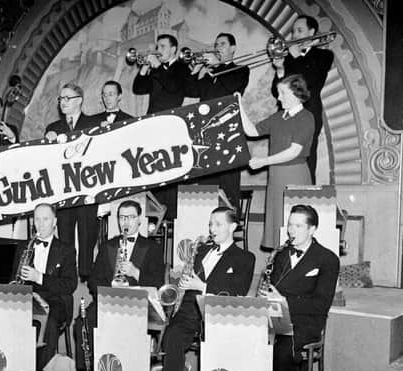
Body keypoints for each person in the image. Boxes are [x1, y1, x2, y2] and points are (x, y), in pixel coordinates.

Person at [161, 207, 255, 371]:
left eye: (218, 224)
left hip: (218, 315)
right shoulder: (201, 250)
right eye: (211, 224)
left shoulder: (245, 258)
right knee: (172, 336)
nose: (212, 229)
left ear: (233, 227)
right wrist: (182, 284)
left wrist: (202, 286)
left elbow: (238, 292)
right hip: (189, 311)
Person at [74, 199, 165, 371]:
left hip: (138, 304)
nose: (126, 222)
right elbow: (93, 280)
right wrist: (109, 287)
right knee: (82, 323)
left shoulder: (152, 248)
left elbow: (158, 283)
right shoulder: (108, 245)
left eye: (130, 217)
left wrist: (136, 272)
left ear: (139, 220)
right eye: (122, 217)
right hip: (109, 301)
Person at [259, 205, 339, 371]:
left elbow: (321, 305)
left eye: (298, 226)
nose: (291, 231)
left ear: (312, 229)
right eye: (289, 225)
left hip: (305, 322)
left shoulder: (328, 259)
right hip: (276, 318)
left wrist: (285, 301)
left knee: (281, 351)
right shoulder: (280, 255)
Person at [238, 74, 314, 249]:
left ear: (296, 93)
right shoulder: (279, 117)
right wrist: (239, 106)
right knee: (278, 224)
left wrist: (264, 161)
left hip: (294, 175)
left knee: (294, 222)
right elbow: (251, 131)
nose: (278, 98)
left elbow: (294, 152)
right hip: (276, 176)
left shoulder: (306, 117)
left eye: (282, 93)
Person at [11, 203, 77, 371]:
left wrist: (38, 277)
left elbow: (70, 285)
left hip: (55, 300)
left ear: (54, 221)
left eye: (45, 219)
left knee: (50, 320)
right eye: (37, 219)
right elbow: (14, 279)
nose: (41, 224)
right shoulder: (23, 247)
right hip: (28, 298)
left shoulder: (67, 249)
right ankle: (14, 368)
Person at [132, 33, 192, 219]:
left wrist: (157, 67)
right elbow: (138, 89)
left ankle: (170, 217)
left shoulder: (182, 68)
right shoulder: (158, 70)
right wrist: (143, 69)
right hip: (153, 126)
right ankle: (154, 215)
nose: (158, 50)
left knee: (169, 172)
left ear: (173, 49)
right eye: (157, 47)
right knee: (154, 171)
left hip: (171, 126)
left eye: (162, 46)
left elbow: (173, 88)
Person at [45, 83, 99, 279]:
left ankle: (86, 278)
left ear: (80, 101)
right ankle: (67, 279)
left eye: (67, 98)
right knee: (65, 239)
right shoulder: (52, 128)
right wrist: (47, 143)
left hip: (87, 192)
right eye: (61, 98)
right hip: (64, 194)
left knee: (87, 238)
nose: (63, 102)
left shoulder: (94, 124)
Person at [189, 33, 250, 209]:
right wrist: (196, 72)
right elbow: (191, 90)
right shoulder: (210, 72)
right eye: (216, 44)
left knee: (228, 183)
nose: (217, 47)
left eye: (222, 44)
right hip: (206, 134)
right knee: (206, 185)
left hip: (227, 136)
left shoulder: (241, 69)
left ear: (233, 48)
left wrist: (217, 66)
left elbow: (231, 87)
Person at [271, 15, 334, 184]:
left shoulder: (324, 55)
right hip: (285, 117)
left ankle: (305, 203)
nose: (294, 35)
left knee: (306, 161)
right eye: (293, 32)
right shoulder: (289, 58)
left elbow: (307, 81)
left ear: (312, 32)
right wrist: (280, 70)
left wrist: (297, 58)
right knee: (281, 160)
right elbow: (274, 90)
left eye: (299, 30)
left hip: (308, 114)